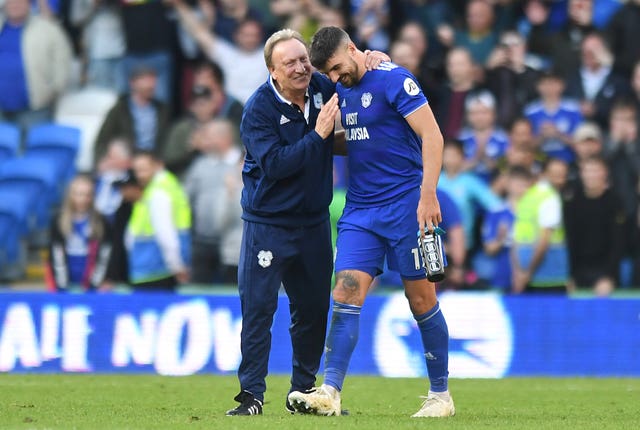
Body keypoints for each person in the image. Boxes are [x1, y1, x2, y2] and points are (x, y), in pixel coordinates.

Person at [288, 26, 454, 418]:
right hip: (361, 211)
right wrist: (324, 138)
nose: (334, 78)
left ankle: (440, 396)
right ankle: (330, 392)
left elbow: (433, 136)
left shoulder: (395, 79)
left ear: (352, 48)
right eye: (326, 73)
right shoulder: (340, 88)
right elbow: (360, 136)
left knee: (421, 299)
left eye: (336, 68)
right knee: (345, 291)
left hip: (406, 206)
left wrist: (428, 194)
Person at [225, 28, 388, 416]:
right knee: (259, 309)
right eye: (290, 63)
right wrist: (319, 135)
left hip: (313, 222)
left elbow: (353, 78)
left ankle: (303, 392)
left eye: (303, 60)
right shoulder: (258, 110)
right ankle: (251, 396)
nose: (301, 68)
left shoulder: (320, 86)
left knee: (313, 309)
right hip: (268, 224)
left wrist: (373, 61)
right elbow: (277, 166)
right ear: (273, 71)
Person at [182, 118, 243, 284]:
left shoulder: (244, 162)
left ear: (224, 138)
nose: (203, 141)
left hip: (236, 245)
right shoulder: (200, 164)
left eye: (208, 136)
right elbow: (185, 198)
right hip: (203, 241)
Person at [0, 0, 73, 131]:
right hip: (2, 111)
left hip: (35, 111)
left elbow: (62, 61)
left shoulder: (48, 28)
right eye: (11, 1)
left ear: (29, 4)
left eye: (19, 2)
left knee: (34, 150)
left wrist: (54, 91)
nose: (15, 5)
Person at [126, 150, 191, 291]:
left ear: (157, 165)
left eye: (143, 169)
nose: (139, 175)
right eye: (136, 170)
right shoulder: (162, 187)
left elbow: (165, 233)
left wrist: (176, 266)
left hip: (157, 269)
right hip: (150, 267)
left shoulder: (158, 192)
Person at [563, 156, 625, 296]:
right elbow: (571, 240)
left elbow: (618, 243)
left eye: (596, 170)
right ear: (581, 174)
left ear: (605, 173)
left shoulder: (615, 201)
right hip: (579, 269)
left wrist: (608, 277)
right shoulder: (572, 202)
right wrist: (570, 275)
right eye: (587, 170)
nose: (591, 175)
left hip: (605, 270)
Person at [45, 174, 112, 292]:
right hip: (65, 277)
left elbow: (104, 255)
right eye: (79, 194)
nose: (83, 199)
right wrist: (62, 286)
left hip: (90, 279)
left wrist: (94, 285)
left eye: (87, 195)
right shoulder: (58, 220)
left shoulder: (101, 221)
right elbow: (56, 253)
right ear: (71, 195)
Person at [512, 157, 569, 294]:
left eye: (562, 175)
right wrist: (527, 272)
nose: (560, 179)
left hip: (524, 275)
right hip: (549, 276)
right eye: (556, 175)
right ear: (544, 174)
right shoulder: (550, 198)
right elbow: (544, 240)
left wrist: (518, 272)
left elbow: (515, 241)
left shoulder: (527, 197)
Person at [93, 66, 171, 165]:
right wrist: (100, 163)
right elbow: (102, 139)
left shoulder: (161, 109)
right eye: (145, 80)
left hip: (153, 161)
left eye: (152, 81)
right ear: (133, 83)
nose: (150, 85)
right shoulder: (120, 109)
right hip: (127, 161)